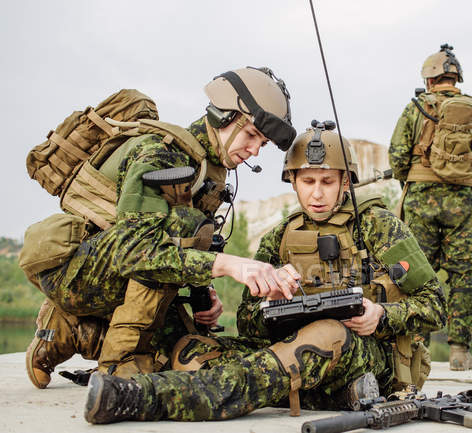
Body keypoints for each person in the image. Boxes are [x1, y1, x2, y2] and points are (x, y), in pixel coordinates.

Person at [81, 121, 447, 424]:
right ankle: (324, 396)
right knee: (191, 350)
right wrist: (268, 301)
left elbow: (435, 304)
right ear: (293, 181)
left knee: (327, 333)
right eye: (307, 181)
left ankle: (145, 398)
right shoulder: (280, 236)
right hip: (289, 350)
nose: (316, 194)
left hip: (368, 355)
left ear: (345, 182)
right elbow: (247, 324)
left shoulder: (377, 225)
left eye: (327, 182)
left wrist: (381, 317)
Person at [26, 66, 301, 388]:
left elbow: (190, 247)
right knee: (181, 227)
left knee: (183, 353)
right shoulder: (161, 154)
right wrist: (229, 266)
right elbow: (136, 252)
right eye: (251, 135)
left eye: (263, 143)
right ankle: (119, 365)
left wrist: (204, 293)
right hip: (73, 272)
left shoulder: (208, 168)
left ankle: (67, 331)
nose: (254, 150)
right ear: (224, 116)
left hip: (118, 271)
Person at [389, 44, 472, 371]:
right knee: (461, 275)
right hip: (460, 203)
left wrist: (416, 178)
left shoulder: (416, 108)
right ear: (455, 78)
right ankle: (459, 351)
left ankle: (419, 348)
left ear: (430, 80)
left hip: (421, 199)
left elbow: (397, 156)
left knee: (421, 273)